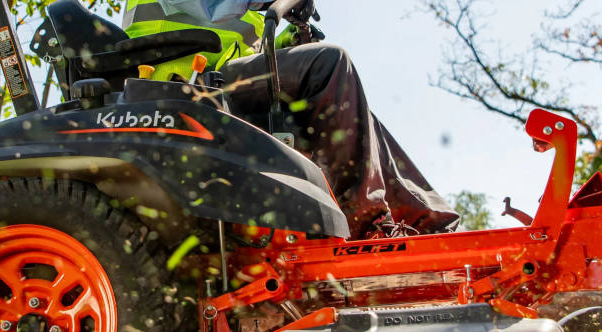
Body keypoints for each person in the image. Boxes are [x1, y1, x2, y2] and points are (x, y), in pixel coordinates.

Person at [122, 0, 461, 238]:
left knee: (345, 107)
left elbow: (242, 49)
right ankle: (365, 223)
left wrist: (291, 41)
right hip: (177, 80)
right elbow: (216, 11)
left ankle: (431, 226)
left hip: (218, 77)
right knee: (329, 64)